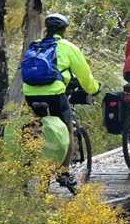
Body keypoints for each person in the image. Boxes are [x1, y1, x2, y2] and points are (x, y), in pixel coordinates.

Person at [23, 13, 100, 184]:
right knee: (68, 129)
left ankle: (28, 160)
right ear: (64, 30)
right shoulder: (67, 47)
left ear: (47, 29)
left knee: (36, 124)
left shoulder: (35, 46)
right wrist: (94, 89)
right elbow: (84, 76)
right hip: (55, 94)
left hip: (30, 93)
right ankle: (63, 172)